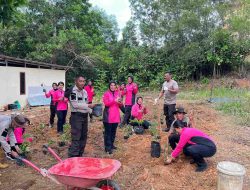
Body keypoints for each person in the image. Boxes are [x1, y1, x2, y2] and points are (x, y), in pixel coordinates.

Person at [66, 76, 95, 158]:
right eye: (80, 81)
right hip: (76, 117)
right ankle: (73, 157)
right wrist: (88, 105)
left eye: (83, 81)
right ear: (76, 81)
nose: (82, 83)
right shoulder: (73, 92)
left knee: (83, 137)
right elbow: (75, 105)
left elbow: (86, 106)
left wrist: (91, 111)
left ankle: (80, 155)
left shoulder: (85, 92)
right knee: (76, 137)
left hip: (84, 117)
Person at [102, 81, 123, 154]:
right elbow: (106, 104)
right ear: (109, 86)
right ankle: (107, 148)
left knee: (113, 132)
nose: (113, 86)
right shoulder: (106, 94)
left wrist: (120, 102)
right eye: (111, 85)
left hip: (116, 116)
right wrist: (114, 100)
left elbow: (120, 105)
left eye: (114, 85)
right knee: (108, 132)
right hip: (108, 116)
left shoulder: (118, 93)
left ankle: (111, 144)